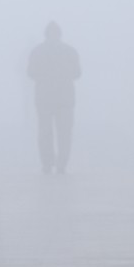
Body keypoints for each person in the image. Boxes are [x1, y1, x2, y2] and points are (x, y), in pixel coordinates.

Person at [26, 21, 81, 175]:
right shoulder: (70, 51)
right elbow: (77, 73)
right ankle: (59, 164)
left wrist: (44, 76)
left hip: (47, 98)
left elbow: (30, 72)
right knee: (62, 133)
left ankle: (49, 164)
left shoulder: (37, 51)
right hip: (63, 99)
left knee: (47, 133)